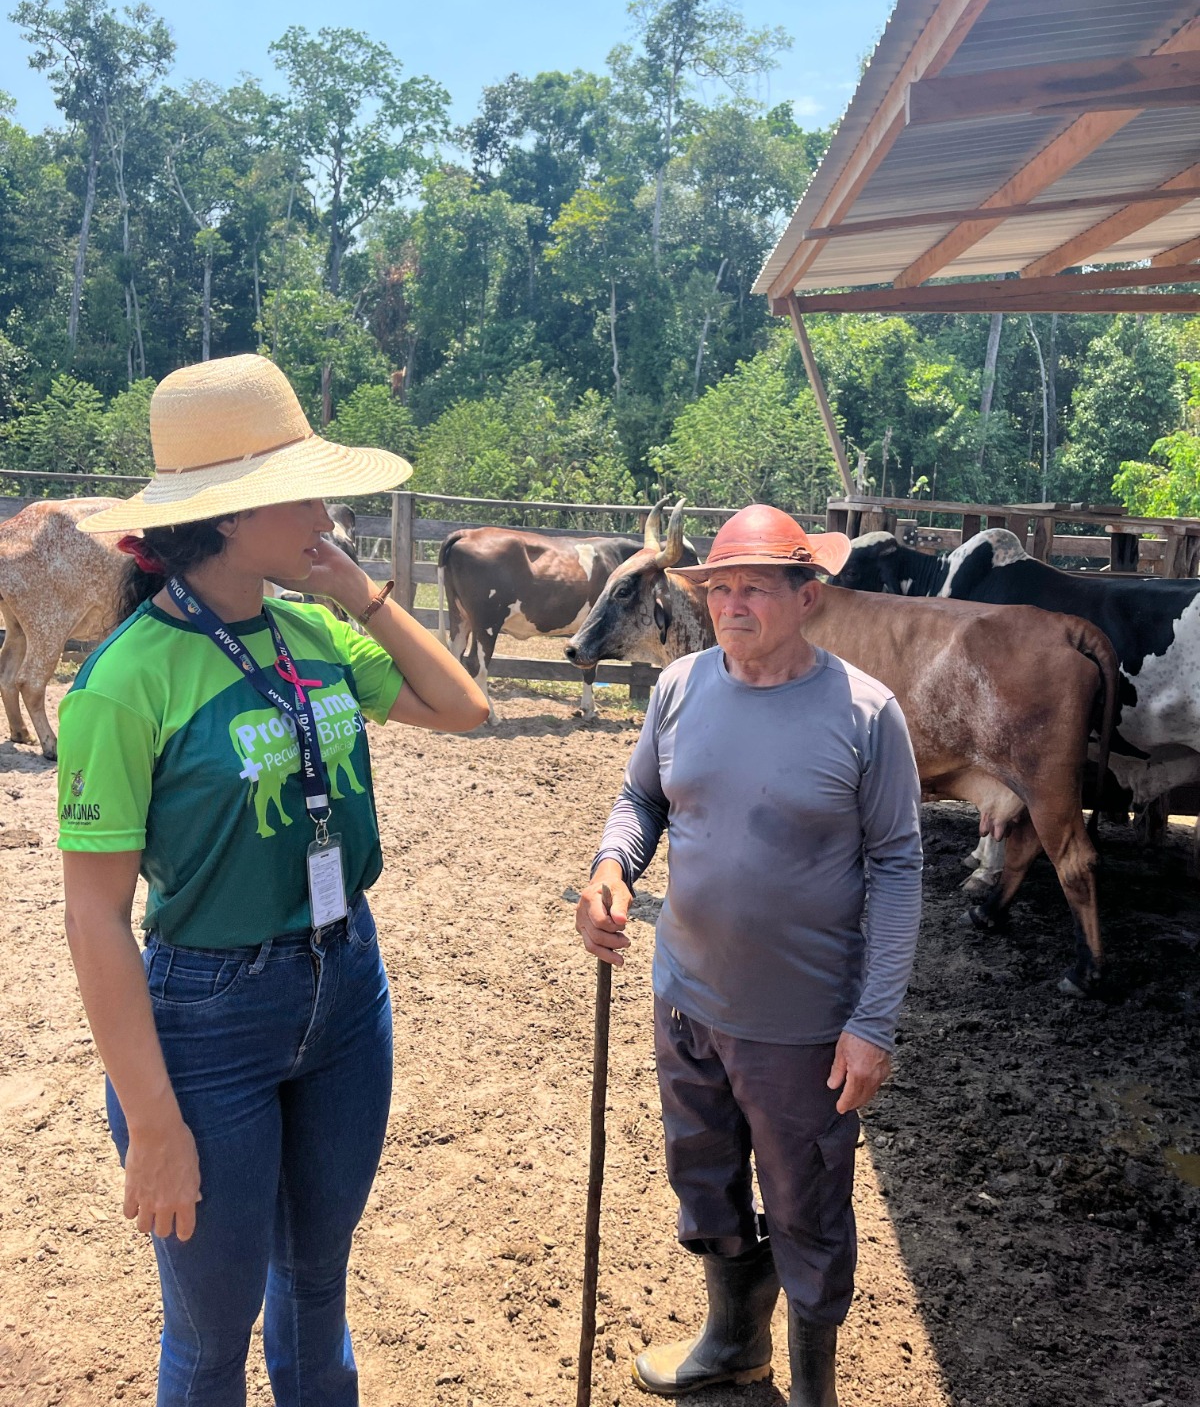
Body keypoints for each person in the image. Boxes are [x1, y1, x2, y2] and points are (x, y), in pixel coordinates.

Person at [57, 354, 489, 1406]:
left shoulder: (317, 629)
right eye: (306, 488)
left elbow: (464, 707)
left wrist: (361, 590)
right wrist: (154, 1123)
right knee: (211, 1339)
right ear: (232, 511)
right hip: (206, 1021)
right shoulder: (125, 681)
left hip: (346, 989)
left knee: (318, 1289)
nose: (327, 510)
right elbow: (95, 917)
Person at [575, 504, 924, 1407]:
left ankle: (814, 1390)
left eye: (755, 588)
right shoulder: (681, 687)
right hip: (685, 999)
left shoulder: (865, 713)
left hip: (801, 1025)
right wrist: (612, 863)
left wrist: (873, 1023)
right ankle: (733, 1340)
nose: (732, 605)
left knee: (807, 1205)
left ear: (807, 597)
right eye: (719, 587)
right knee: (705, 1181)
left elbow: (896, 866)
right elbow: (640, 797)